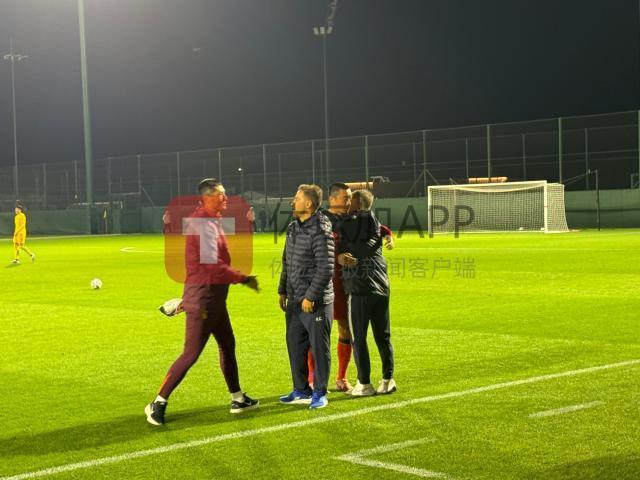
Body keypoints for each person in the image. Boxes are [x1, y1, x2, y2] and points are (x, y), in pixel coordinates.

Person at [145, 178, 260, 426]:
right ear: (207, 197)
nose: (225, 198)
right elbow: (213, 267)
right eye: (220, 194)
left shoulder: (211, 221)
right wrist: (243, 278)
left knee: (227, 345)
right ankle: (158, 403)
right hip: (205, 301)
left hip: (214, 300)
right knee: (191, 354)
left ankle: (238, 398)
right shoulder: (204, 224)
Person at [278, 184, 334, 409]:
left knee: (319, 349)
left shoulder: (320, 229)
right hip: (294, 300)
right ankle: (301, 389)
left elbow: (326, 268)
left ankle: (320, 392)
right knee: (295, 346)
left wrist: (311, 296)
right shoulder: (293, 227)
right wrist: (282, 289)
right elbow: (286, 261)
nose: (293, 201)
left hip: (315, 303)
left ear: (308, 204)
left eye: (297, 197)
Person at [337, 189, 396, 396]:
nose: (347, 205)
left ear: (358, 204)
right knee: (383, 336)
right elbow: (382, 230)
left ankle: (364, 384)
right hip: (382, 288)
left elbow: (334, 227)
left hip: (360, 290)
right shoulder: (374, 223)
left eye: (350, 201)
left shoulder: (349, 223)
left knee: (359, 338)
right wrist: (388, 235)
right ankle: (388, 380)